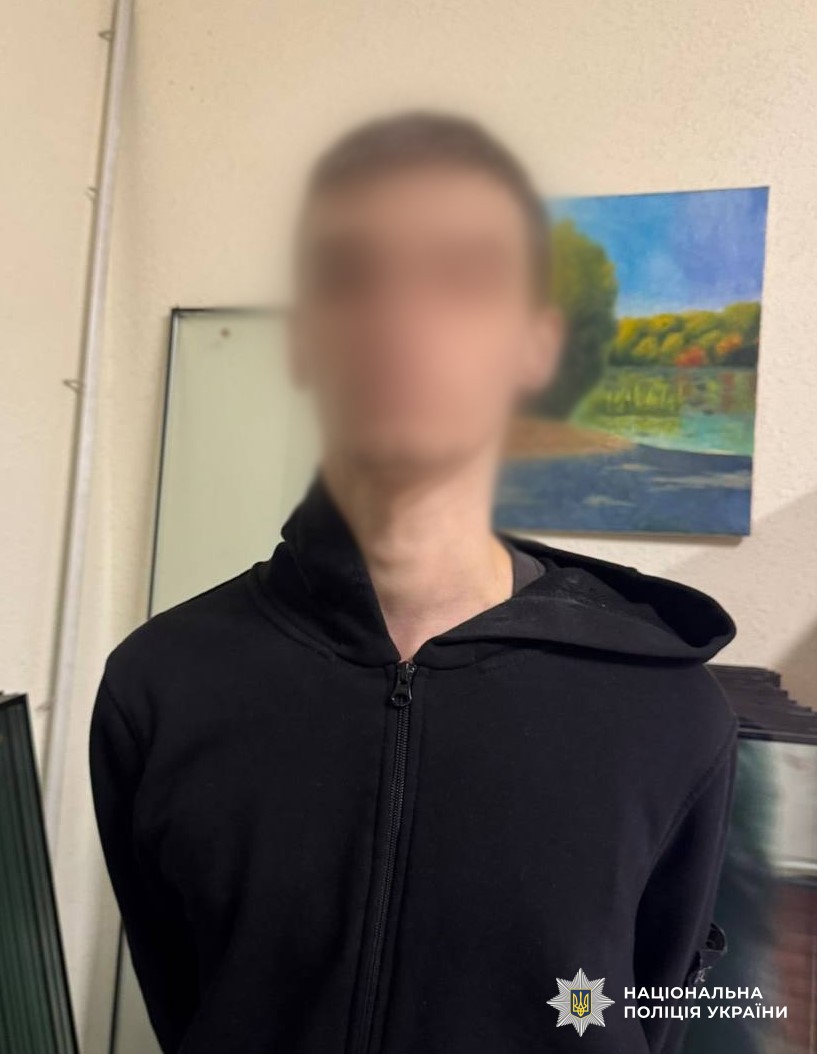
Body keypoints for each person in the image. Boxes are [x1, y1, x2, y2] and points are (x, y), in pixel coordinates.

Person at [90, 112, 738, 1054]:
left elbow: (648, 1012)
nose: (404, 322)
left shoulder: (668, 711)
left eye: (462, 279)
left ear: (534, 346)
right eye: (353, 275)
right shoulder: (160, 686)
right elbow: (184, 995)